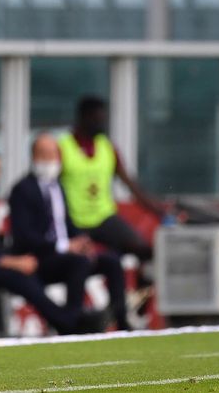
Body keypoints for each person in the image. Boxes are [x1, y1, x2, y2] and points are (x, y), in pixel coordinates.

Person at [0, 153, 106, 336]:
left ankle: (67, 319)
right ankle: (67, 322)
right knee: (16, 274)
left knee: (25, 270)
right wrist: (8, 261)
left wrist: (11, 257)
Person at [10, 134, 130, 330]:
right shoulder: (22, 190)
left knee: (111, 261)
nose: (51, 160)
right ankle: (72, 321)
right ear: (34, 157)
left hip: (66, 253)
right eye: (45, 154)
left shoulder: (59, 187)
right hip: (40, 258)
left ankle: (121, 321)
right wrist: (65, 246)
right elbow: (24, 236)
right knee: (79, 262)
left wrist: (81, 241)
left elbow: (66, 224)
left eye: (54, 154)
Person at [59, 96, 165, 264]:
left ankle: (142, 289)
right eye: (97, 119)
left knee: (142, 248)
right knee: (81, 261)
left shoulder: (107, 147)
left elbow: (130, 184)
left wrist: (159, 211)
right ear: (83, 117)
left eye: (103, 119)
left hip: (103, 217)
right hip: (73, 221)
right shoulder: (63, 147)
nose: (102, 124)